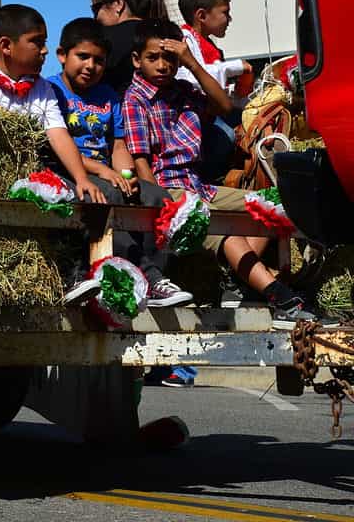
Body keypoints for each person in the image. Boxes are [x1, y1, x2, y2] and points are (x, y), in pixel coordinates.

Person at [122, 20, 314, 329]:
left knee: (270, 203)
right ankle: (279, 297)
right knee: (224, 230)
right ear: (136, 60)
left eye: (170, 58)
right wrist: (163, 205)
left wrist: (191, 63)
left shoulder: (183, 91)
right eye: (153, 57)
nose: (162, 65)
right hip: (167, 190)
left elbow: (224, 105)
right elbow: (141, 160)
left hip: (197, 184)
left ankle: (238, 279)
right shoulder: (135, 99)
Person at [47, 18, 192, 308]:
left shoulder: (109, 96)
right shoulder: (51, 90)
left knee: (157, 197)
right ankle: (142, 276)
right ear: (62, 55)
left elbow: (117, 143)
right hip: (70, 171)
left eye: (99, 61)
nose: (90, 66)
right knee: (108, 195)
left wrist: (126, 174)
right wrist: (104, 172)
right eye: (83, 57)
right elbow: (54, 146)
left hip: (107, 171)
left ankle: (157, 278)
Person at [0, 5, 107, 302]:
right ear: (6, 45)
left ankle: (72, 276)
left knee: (71, 195)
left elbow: (57, 133)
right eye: (37, 42)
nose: (44, 51)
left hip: (33, 176)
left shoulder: (40, 87)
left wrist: (81, 178)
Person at [176, 0, 252, 184]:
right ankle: (210, 179)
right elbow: (194, 78)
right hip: (196, 120)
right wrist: (233, 67)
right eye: (225, 12)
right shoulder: (184, 38)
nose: (229, 18)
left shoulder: (211, 46)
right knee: (227, 134)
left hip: (213, 114)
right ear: (201, 15)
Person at [89, 0, 169, 94]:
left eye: (96, 8)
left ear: (118, 4)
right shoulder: (164, 34)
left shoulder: (101, 37)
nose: (95, 17)